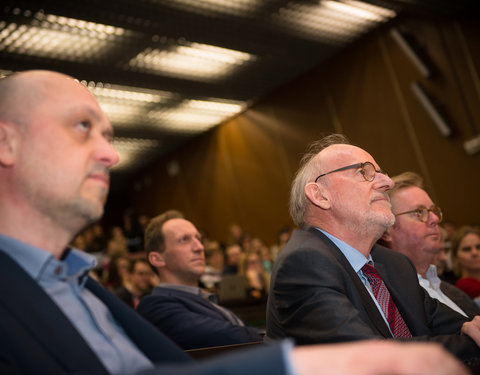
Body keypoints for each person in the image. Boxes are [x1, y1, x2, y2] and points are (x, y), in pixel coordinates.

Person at [0, 70, 469, 375]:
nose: (110, 153)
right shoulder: (307, 261)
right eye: (83, 127)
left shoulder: (80, 286)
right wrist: (299, 366)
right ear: (7, 143)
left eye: (108, 134)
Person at [266, 133, 480, 364]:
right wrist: (472, 344)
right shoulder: (303, 263)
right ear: (320, 195)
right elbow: (368, 356)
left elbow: (453, 322)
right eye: (363, 172)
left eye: (382, 174)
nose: (388, 183)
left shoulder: (393, 263)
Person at [137, 210, 262, 349]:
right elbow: (233, 337)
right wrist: (274, 338)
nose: (200, 247)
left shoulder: (203, 298)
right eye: (184, 239)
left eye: (198, 239)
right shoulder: (156, 306)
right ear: (157, 259)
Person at [380, 171, 479, 318]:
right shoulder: (391, 302)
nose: (434, 219)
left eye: (433, 211)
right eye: (420, 212)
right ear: (387, 230)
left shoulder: (451, 291)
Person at [452, 226, 480, 300]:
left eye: (478, 247)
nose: (475, 253)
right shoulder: (462, 286)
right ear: (455, 258)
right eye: (467, 249)